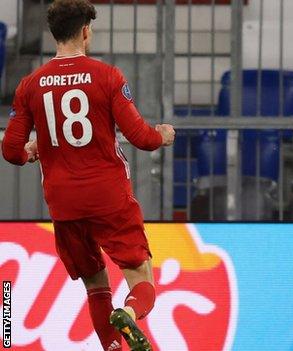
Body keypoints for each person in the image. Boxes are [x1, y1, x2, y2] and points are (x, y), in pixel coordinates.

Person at [1, 1, 175, 350]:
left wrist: (28, 151)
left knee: (96, 285)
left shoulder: (30, 85)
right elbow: (140, 137)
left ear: (55, 34)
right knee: (141, 276)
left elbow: (10, 150)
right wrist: (163, 135)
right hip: (108, 195)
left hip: (64, 202)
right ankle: (129, 311)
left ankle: (112, 347)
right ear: (85, 31)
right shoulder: (107, 76)